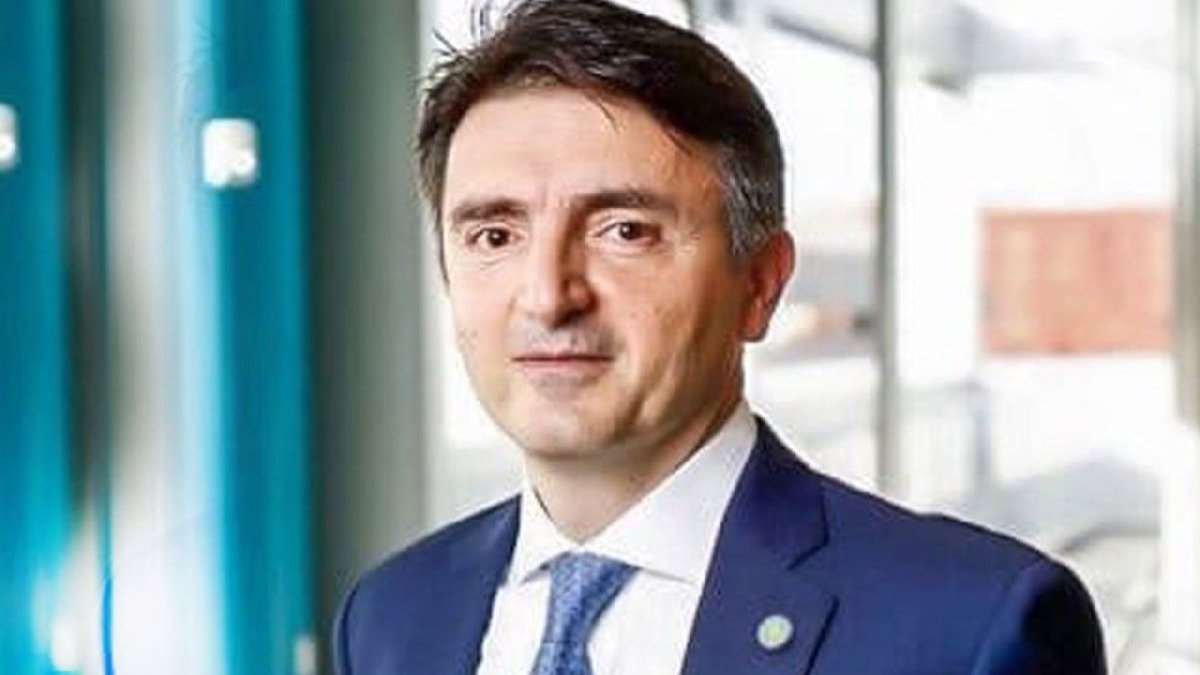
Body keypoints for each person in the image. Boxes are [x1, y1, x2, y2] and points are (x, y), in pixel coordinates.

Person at [333, 0, 1107, 673]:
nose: (547, 294)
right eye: (494, 235)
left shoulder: (968, 630)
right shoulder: (391, 615)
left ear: (760, 284)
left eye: (625, 230)